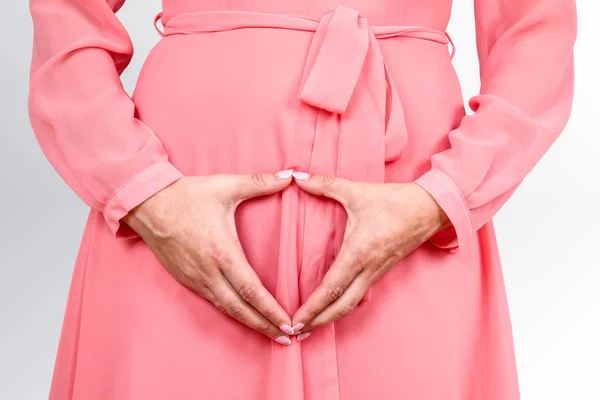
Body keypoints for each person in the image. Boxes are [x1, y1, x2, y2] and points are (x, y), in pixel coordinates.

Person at [27, 0, 577, 399]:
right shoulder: (159, 205)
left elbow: (538, 30)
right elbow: (67, 15)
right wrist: (146, 194)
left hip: (414, 203)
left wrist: (445, 196)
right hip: (175, 199)